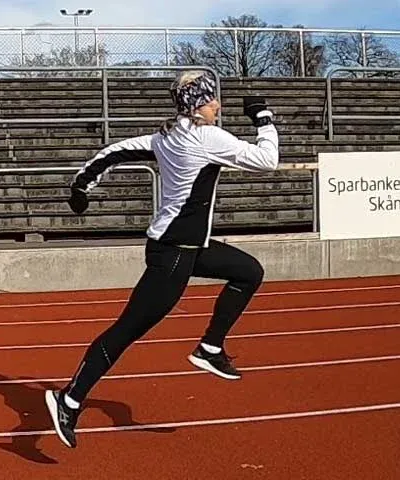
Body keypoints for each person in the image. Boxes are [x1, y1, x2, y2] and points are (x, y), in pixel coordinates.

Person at [45, 69, 279, 448]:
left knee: (249, 272)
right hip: (173, 254)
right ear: (197, 106)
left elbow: (114, 151)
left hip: (187, 247)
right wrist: (263, 119)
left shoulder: (165, 136)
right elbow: (268, 160)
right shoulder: (206, 137)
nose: (218, 106)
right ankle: (68, 400)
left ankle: (211, 347)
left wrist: (81, 185)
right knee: (127, 331)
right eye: (212, 100)